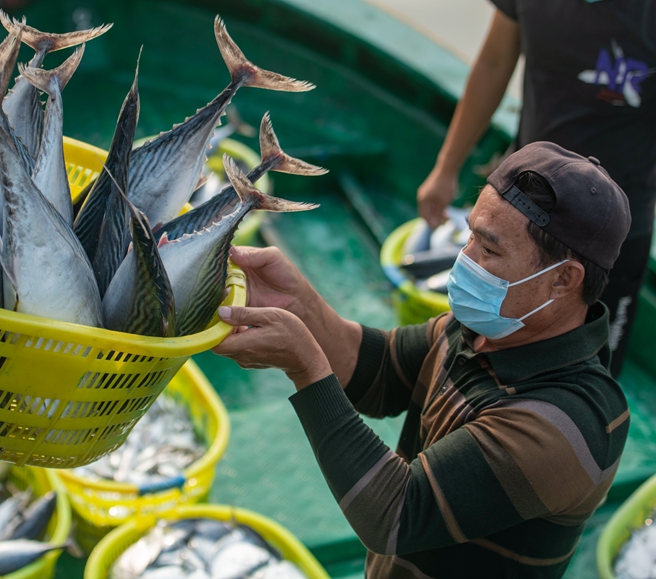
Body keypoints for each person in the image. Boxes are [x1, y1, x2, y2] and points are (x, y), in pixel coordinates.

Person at [214, 142, 631, 579]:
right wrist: (300, 304)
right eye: (469, 234)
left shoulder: (567, 424)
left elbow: (396, 515)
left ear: (564, 278)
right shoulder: (489, 329)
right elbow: (378, 371)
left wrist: (305, 366)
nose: (464, 260)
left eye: (489, 251)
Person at [417, 0, 655, 377]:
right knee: (478, 353)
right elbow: (494, 61)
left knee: (596, 377)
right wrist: (446, 169)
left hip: (613, 237)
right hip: (522, 213)